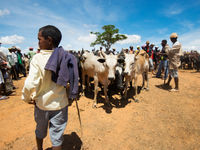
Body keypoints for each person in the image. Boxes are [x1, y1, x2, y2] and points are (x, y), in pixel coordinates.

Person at [22, 25, 79, 150]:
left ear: (49, 40)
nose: (38, 43)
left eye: (39, 39)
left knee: (40, 131)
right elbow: (73, 79)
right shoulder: (67, 57)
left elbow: (30, 83)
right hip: (60, 104)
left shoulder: (37, 58)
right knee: (57, 138)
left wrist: (26, 98)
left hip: (42, 104)